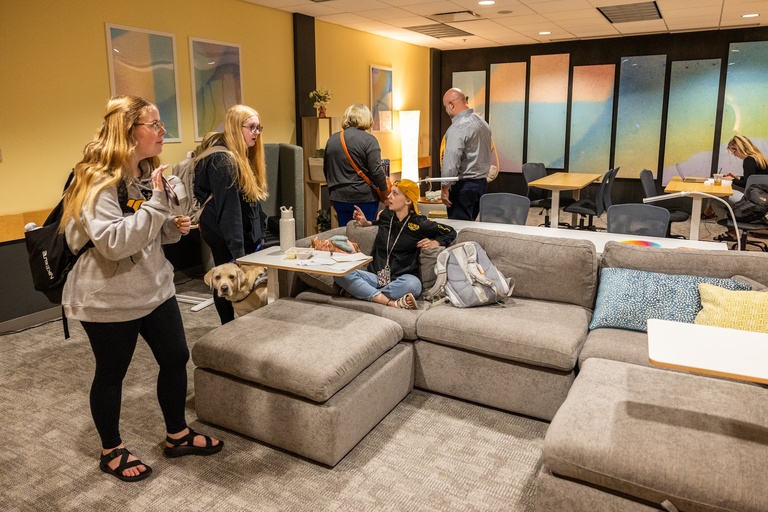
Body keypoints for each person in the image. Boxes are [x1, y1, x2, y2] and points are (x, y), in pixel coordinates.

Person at [61, 96, 223, 483]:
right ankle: (111, 449)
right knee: (112, 372)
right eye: (154, 124)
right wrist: (155, 205)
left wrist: (171, 225)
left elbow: (151, 233)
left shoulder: (147, 173)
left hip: (153, 288)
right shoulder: (97, 181)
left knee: (175, 356)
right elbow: (113, 243)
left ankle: (177, 434)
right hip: (108, 296)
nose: (162, 132)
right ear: (128, 131)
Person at [194, 105, 269, 324]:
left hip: (235, 232)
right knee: (225, 283)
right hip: (225, 234)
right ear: (237, 127)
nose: (256, 132)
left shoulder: (239, 154)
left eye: (258, 127)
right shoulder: (223, 160)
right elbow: (230, 211)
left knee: (237, 282)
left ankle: (236, 326)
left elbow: (248, 202)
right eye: (251, 127)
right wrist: (239, 254)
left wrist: (260, 232)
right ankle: (228, 328)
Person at [334, 179, 456, 309]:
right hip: (377, 277)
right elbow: (381, 224)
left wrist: (436, 242)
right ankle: (390, 302)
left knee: (413, 285)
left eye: (395, 194)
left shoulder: (419, 223)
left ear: (408, 201)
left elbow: (451, 232)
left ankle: (363, 292)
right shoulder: (386, 215)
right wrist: (366, 223)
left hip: (402, 279)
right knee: (339, 273)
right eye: (390, 192)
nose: (389, 196)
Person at [323, 103, 389, 227]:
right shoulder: (369, 140)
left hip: (339, 198)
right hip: (364, 198)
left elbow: (327, 170)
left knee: (344, 236)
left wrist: (332, 194)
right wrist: (386, 195)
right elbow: (376, 171)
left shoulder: (332, 140)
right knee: (365, 235)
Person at [440, 88, 493, 220]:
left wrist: (444, 187)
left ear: (451, 104)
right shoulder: (482, 123)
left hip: (463, 186)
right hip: (481, 184)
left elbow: (451, 162)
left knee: (459, 229)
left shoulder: (458, 127)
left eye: (445, 106)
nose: (446, 110)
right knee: (470, 226)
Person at [712, 135, 768, 241]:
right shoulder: (760, 158)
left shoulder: (748, 160)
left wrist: (731, 181)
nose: (735, 155)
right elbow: (755, 179)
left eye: (734, 152)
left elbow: (747, 184)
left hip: (752, 201)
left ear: (739, 148)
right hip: (763, 199)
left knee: (716, 201)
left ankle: (732, 231)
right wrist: (737, 177)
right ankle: (734, 230)